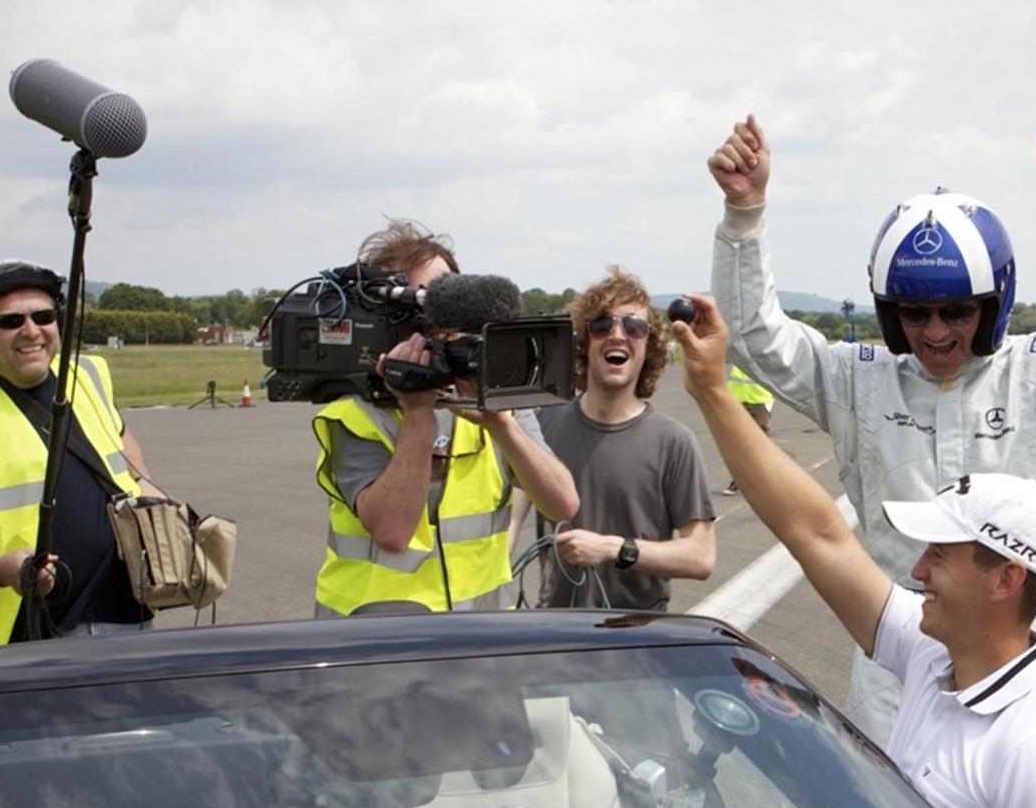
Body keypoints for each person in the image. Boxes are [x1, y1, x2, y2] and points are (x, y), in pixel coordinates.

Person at [707, 115, 1036, 741]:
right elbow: (757, 339)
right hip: (900, 656)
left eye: (957, 310)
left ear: (994, 301)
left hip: (1022, 655)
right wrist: (744, 213)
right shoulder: (859, 379)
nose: (935, 331)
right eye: (915, 312)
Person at [674, 292, 1036, 808]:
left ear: (1006, 579)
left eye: (941, 554)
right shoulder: (935, 661)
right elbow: (816, 534)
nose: (918, 568)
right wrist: (712, 392)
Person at [312, 220, 578, 616]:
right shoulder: (355, 414)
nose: (443, 332)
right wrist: (418, 413)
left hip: (478, 641)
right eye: (424, 313)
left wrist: (500, 422)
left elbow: (562, 504)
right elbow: (393, 532)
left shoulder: (495, 400)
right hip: (373, 644)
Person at [0, 261, 157, 646]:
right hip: (29, 636)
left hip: (128, 618)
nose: (31, 330)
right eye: (10, 321)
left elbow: (125, 451)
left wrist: (159, 509)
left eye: (43, 316)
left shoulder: (88, 377)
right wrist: (2, 569)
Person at [535, 267, 715, 611]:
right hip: (553, 630)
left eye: (634, 327)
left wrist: (614, 549)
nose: (617, 334)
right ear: (585, 343)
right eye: (602, 325)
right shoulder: (545, 423)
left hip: (635, 640)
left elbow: (701, 556)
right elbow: (511, 519)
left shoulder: (674, 442)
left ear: (649, 348)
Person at [720, 362, 772, 495]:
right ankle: (739, 481)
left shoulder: (762, 350)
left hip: (759, 402)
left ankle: (767, 480)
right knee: (738, 445)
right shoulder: (739, 348)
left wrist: (768, 403)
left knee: (759, 446)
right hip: (739, 400)